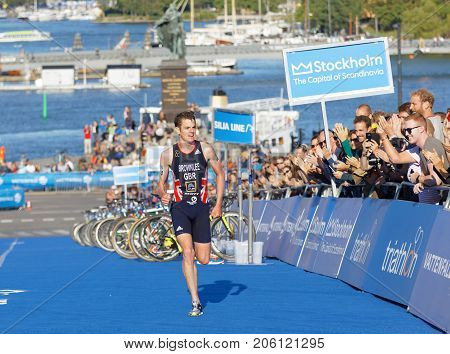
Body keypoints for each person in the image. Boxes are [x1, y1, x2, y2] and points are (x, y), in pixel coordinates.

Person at [158, 110, 225, 317]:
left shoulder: (205, 150)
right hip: (180, 208)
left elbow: (220, 174)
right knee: (187, 252)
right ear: (178, 130)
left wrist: (218, 204)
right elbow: (161, 183)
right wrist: (163, 195)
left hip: (201, 208)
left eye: (194, 127)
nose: (191, 131)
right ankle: (196, 300)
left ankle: (197, 268)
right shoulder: (168, 155)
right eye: (187, 128)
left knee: (203, 259)